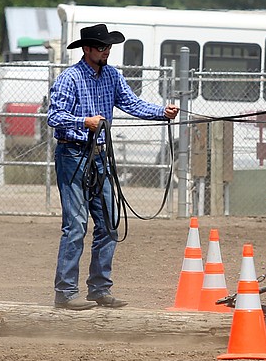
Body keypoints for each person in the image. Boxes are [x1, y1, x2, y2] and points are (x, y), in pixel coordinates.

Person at [46, 23, 179, 310]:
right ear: (87, 49)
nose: (107, 51)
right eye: (102, 47)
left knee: (109, 223)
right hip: (72, 156)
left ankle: (99, 288)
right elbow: (55, 116)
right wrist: (85, 122)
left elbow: (131, 103)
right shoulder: (70, 79)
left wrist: (161, 113)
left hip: (99, 157)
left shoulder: (112, 77)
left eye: (108, 47)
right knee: (77, 225)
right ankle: (65, 292)